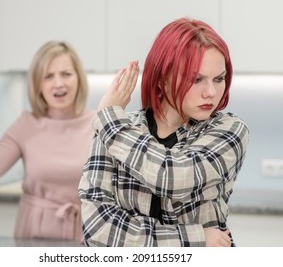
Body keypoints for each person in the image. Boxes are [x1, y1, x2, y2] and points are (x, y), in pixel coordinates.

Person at [78, 18, 250, 247]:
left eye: (219, 79)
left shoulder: (230, 130)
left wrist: (109, 121)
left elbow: (173, 176)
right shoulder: (115, 128)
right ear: (162, 80)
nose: (211, 92)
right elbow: (98, 229)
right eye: (196, 79)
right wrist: (196, 239)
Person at [0, 41, 95, 243]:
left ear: (79, 78)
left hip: (84, 234)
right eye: (48, 76)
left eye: (66, 74)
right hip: (33, 234)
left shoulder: (98, 125)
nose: (58, 83)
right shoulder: (25, 125)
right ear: (38, 84)